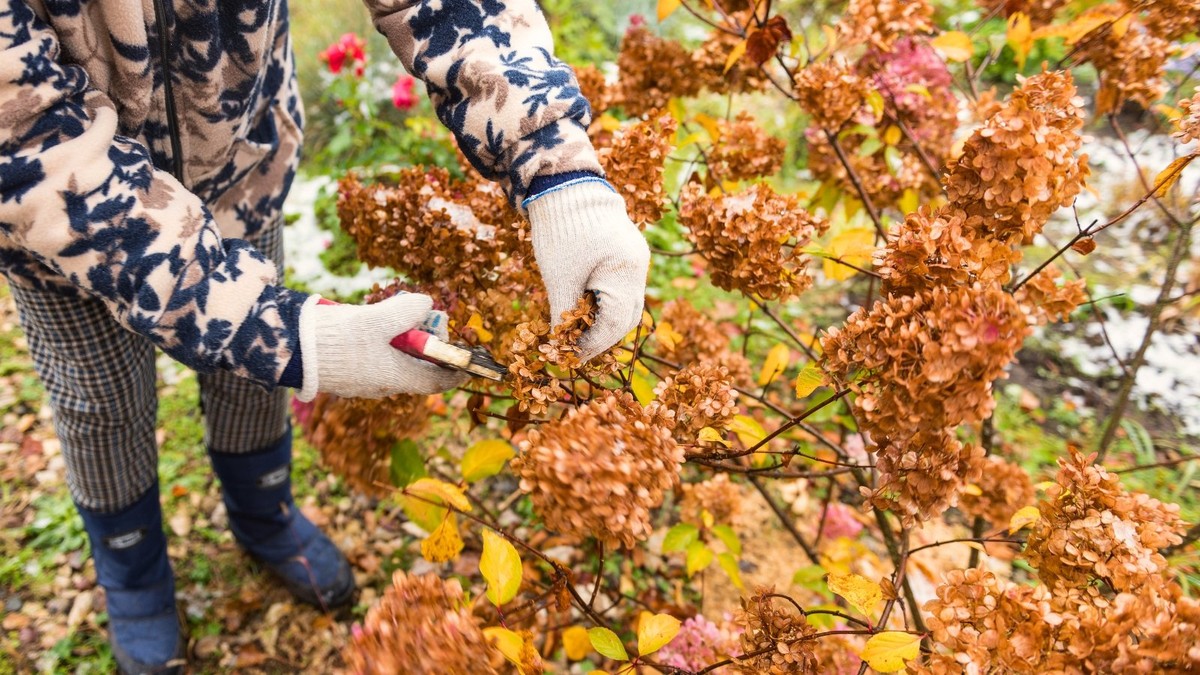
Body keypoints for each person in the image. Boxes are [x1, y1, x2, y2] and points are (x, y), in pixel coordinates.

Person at [0, 0, 650, 671]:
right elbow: (30, 144)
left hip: (237, 167)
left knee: (250, 377)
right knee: (100, 401)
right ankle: (131, 571)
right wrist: (295, 334)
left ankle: (263, 510)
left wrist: (558, 166)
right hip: (57, 231)